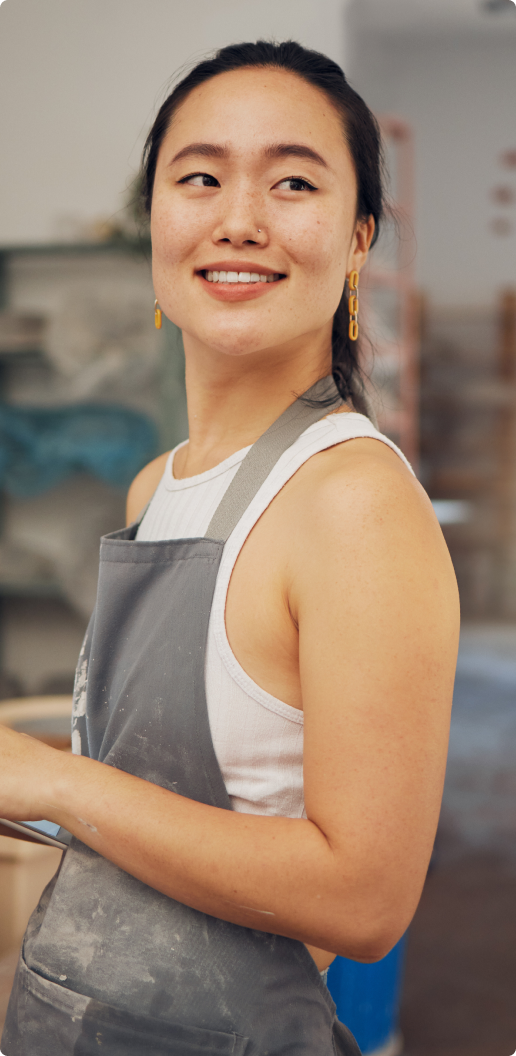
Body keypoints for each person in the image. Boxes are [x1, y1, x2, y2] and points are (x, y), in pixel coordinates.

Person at [0, 40, 459, 1056]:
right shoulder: (155, 484)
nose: (239, 219)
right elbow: (165, 809)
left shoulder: (352, 503)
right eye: (199, 177)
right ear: (154, 226)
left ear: (357, 239)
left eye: (293, 181)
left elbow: (364, 897)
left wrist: (52, 780)